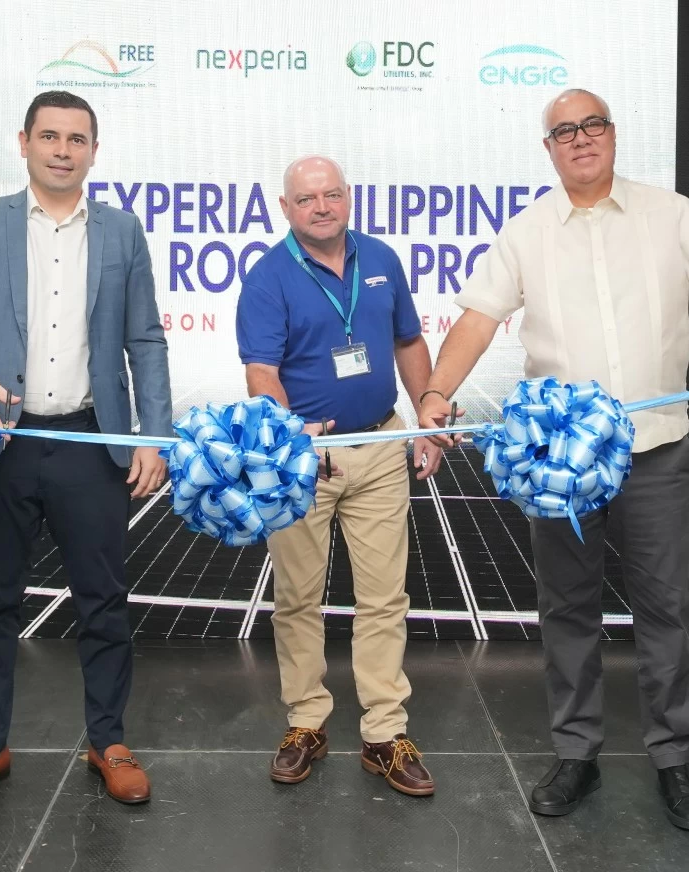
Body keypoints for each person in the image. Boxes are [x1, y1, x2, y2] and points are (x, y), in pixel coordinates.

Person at [418, 89, 689, 830]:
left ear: (613, 135)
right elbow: (476, 319)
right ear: (549, 149)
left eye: (592, 125)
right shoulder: (526, 231)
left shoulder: (670, 213)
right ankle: (577, 755)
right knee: (568, 610)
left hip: (656, 449)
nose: (581, 139)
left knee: (665, 609)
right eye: (565, 131)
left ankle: (673, 760)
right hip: (561, 464)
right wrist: (438, 390)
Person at [0, 90, 172, 813]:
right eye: (50, 136)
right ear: (24, 142)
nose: (63, 149)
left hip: (91, 441)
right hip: (5, 441)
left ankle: (109, 742)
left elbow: (145, 341)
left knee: (103, 602)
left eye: (78, 138)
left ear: (95, 150)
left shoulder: (123, 232)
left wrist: (150, 436)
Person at [236, 156, 445, 796]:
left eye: (331, 195)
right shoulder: (268, 277)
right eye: (306, 199)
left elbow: (409, 342)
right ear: (286, 208)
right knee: (299, 598)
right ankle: (307, 723)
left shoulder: (381, 259)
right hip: (306, 459)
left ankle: (384, 734)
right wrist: (288, 433)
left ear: (349, 199)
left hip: (382, 444)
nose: (321, 207)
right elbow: (261, 373)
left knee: (384, 598)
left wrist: (427, 418)